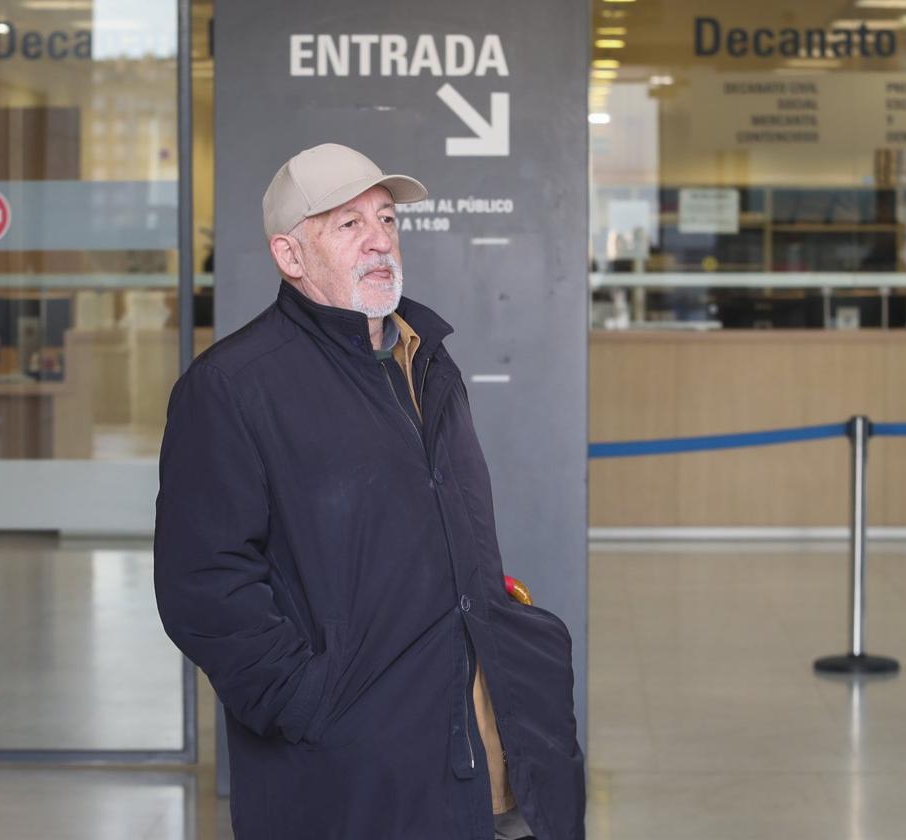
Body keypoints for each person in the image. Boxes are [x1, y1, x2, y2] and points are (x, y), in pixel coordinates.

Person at [154, 143, 585, 840]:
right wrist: (308, 703)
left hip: (496, 748)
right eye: (347, 224)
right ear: (290, 256)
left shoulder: (429, 359)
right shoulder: (232, 388)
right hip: (353, 773)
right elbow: (203, 587)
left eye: (386, 219)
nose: (380, 239)